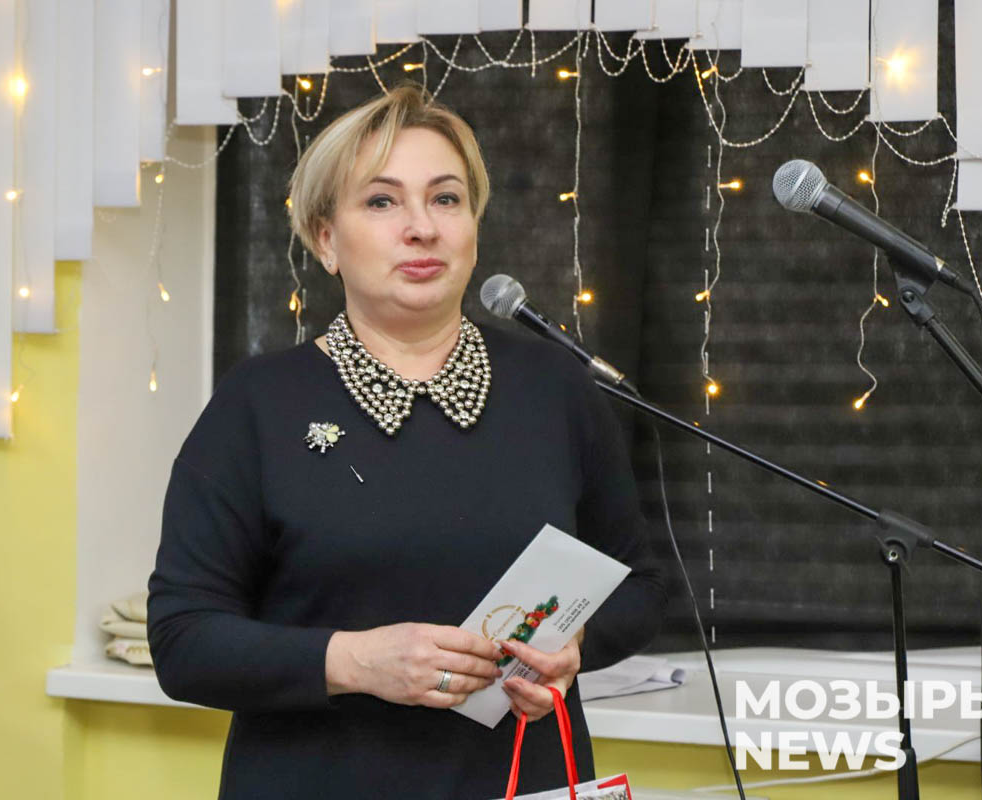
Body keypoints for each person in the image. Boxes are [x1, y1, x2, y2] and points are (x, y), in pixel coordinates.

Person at [147, 83, 666, 799]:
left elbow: (641, 587)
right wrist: (356, 661)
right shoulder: (257, 405)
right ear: (326, 239)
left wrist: (573, 643)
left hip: (524, 782)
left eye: (446, 198)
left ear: (474, 225)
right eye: (381, 202)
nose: (421, 227)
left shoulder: (556, 388)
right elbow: (183, 642)